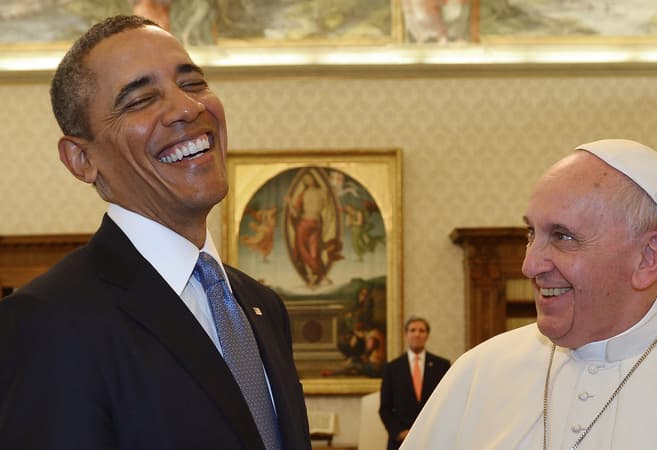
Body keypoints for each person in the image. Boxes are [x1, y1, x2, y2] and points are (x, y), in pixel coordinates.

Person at [0, 15, 311, 450]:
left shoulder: (262, 307)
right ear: (80, 159)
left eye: (194, 82)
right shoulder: (49, 322)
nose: (187, 108)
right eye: (141, 99)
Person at [401, 139, 657, 449]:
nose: (529, 264)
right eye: (531, 233)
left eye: (562, 236)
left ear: (648, 257)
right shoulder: (477, 376)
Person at [380, 316, 450, 450]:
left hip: (433, 438)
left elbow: (446, 402)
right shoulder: (392, 368)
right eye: (412, 330)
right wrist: (399, 433)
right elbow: (385, 408)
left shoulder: (442, 366)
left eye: (421, 330)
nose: (417, 334)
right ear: (406, 334)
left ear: (427, 335)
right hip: (401, 441)